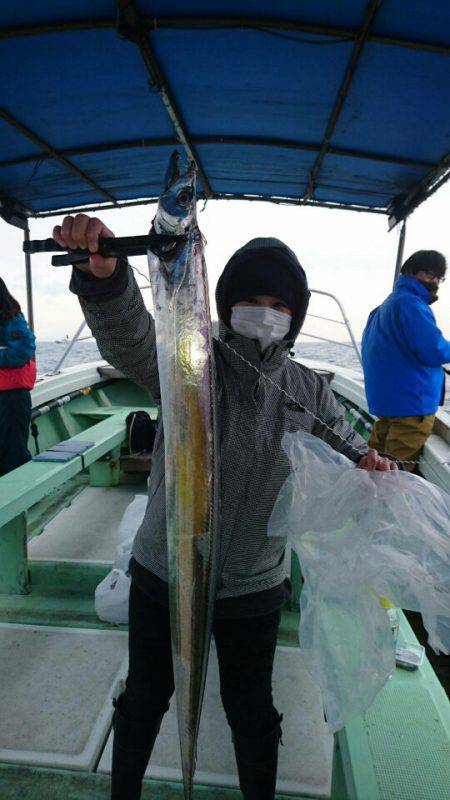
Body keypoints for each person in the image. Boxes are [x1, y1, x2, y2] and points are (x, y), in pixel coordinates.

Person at [53, 214, 396, 800]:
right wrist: (105, 279)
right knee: (145, 694)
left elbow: (348, 447)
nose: (264, 311)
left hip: (256, 584)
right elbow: (131, 338)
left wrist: (373, 465)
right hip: (164, 570)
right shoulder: (189, 361)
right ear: (225, 302)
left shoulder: (312, 390)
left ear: (295, 315)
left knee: (252, 710)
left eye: (277, 303)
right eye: (250, 299)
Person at [362, 250, 450, 471]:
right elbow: (434, 351)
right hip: (411, 409)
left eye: (438, 278)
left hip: (388, 408)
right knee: (393, 477)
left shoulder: (384, 307)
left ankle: (364, 503)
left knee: (373, 468)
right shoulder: (412, 305)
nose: (434, 282)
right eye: (431, 275)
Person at [0, 277, 36, 476]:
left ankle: (19, 497)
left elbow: (23, 351)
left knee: (13, 449)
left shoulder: (11, 317)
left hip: (11, 396)